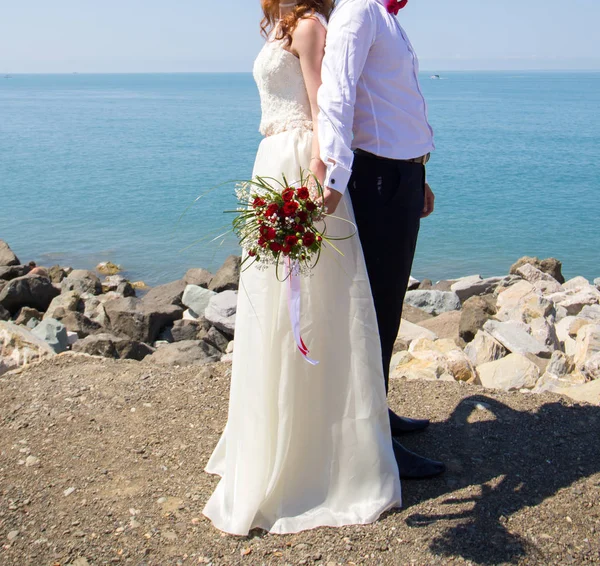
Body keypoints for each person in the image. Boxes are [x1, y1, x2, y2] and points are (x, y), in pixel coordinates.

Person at [202, 0, 402, 536]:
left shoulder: (313, 25)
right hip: (270, 157)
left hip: (296, 162)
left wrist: (320, 181)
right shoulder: (287, 24)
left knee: (311, 304)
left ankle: (314, 456)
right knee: (269, 303)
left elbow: (323, 107)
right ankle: (264, 437)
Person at [317, 0, 446, 478]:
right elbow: (337, 93)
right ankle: (370, 442)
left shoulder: (386, 18)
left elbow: (394, 106)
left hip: (401, 177)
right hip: (374, 179)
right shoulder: (358, 11)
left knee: (387, 309)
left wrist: (419, 174)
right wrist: (333, 176)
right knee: (373, 312)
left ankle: (378, 413)